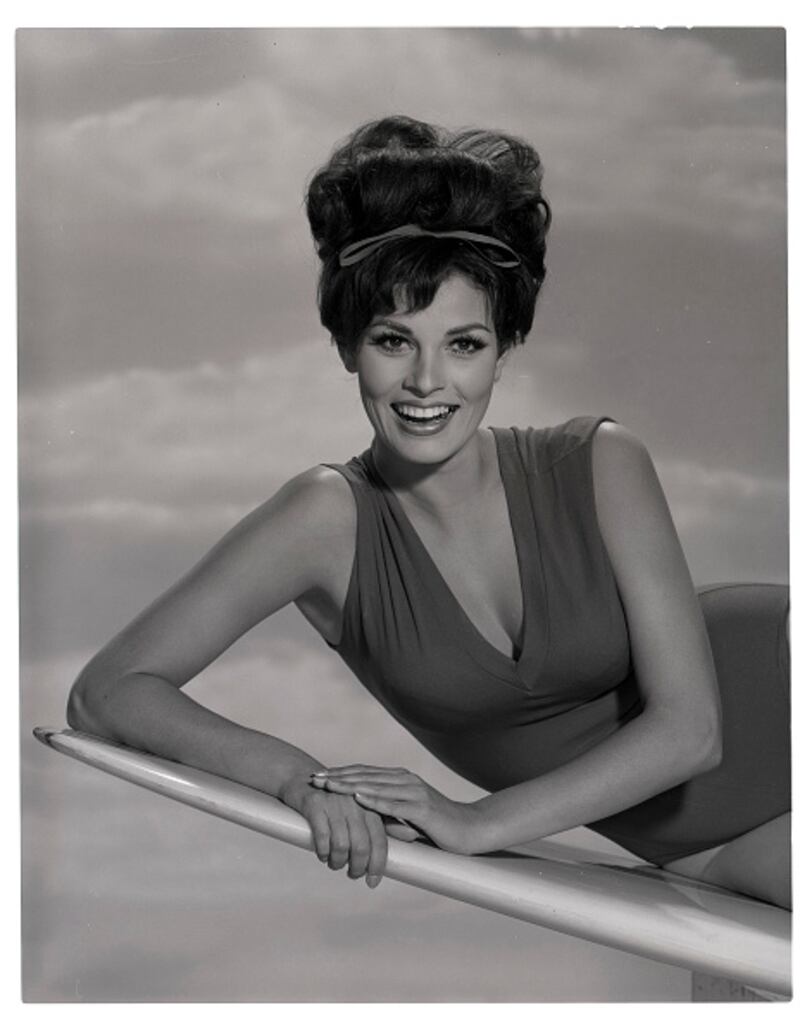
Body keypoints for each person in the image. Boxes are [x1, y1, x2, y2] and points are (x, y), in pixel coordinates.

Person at [66, 115, 791, 910]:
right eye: (393, 340)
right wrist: (300, 781)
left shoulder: (599, 462)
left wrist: (477, 821)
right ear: (348, 346)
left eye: (464, 344)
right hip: (709, 847)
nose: (425, 381)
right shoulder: (324, 520)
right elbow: (109, 692)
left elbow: (691, 731)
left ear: (504, 351)